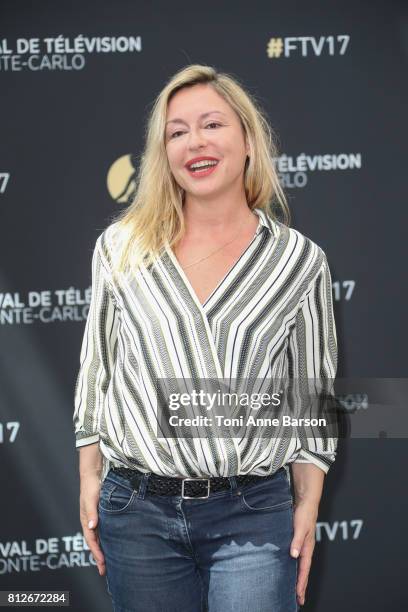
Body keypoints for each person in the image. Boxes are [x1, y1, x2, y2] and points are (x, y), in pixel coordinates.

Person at [73, 64, 338, 612]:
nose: (194, 141)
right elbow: (97, 368)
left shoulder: (299, 261)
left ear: (247, 139)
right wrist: (89, 480)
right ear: (163, 152)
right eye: (176, 131)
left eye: (212, 124)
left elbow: (309, 394)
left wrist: (308, 502)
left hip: (253, 512)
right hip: (137, 511)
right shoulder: (121, 249)